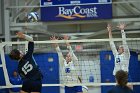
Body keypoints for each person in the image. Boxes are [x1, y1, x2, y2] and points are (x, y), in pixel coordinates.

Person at [107, 23, 132, 89]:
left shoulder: (126, 55)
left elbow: (124, 43)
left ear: (124, 49)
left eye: (121, 47)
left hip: (125, 75)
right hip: (117, 77)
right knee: (117, 89)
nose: (119, 48)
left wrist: (122, 30)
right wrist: (109, 31)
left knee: (129, 88)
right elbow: (111, 43)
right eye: (119, 47)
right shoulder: (116, 55)